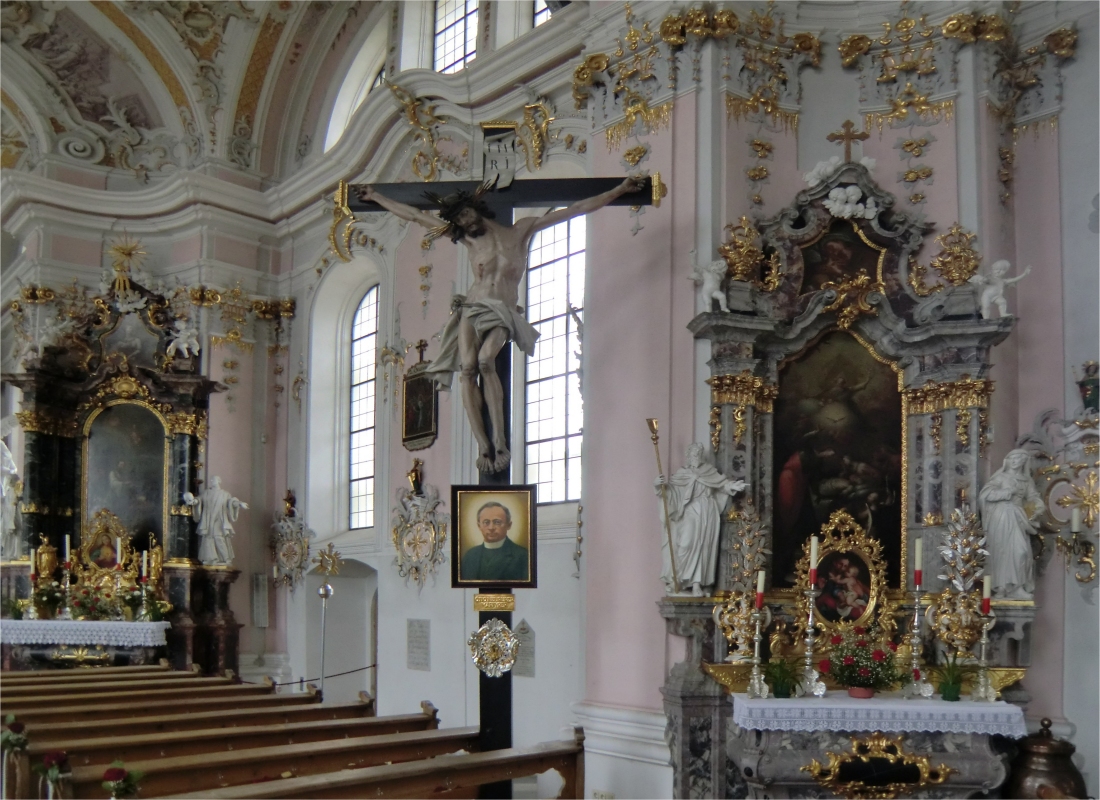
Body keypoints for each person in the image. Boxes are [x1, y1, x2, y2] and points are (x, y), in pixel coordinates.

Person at [360, 177, 641, 473]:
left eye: (465, 214)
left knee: (485, 362)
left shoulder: (521, 231)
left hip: (503, 309)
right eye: (458, 220)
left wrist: (620, 190)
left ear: (476, 209)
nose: (464, 222)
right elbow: (417, 215)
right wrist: (377, 196)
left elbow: (578, 208)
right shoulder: (468, 241)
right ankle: (483, 444)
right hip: (472, 306)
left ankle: (500, 441)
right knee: (467, 369)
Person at [655, 442, 747, 596]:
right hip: (690, 510)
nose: (696, 456)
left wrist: (731, 486)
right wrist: (659, 486)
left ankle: (697, 584)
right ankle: (679, 580)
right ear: (688, 456)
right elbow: (671, 493)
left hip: (708, 512)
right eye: (693, 454)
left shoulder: (708, 471)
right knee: (686, 543)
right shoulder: (682, 474)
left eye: (698, 453)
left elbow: (721, 484)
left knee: (704, 547)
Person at [978, 449, 1042, 599]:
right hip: (1001, 516)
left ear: (1024, 462)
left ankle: (1017, 586)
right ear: (1007, 460)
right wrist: (1006, 492)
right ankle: (1001, 587)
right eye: (1013, 458)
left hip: (1019, 517)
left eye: (1019, 459)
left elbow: (1033, 497)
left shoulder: (1027, 481)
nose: (1015, 461)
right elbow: (985, 495)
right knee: (1001, 551)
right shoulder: (1000, 477)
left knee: (1021, 551)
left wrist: (1038, 506)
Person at [183, 476, 249, 566]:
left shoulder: (225, 494)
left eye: (214, 479)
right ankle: (212, 559)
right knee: (208, 539)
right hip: (208, 520)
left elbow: (231, 502)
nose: (212, 481)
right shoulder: (206, 493)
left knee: (219, 538)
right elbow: (198, 500)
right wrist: (193, 501)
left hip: (219, 520)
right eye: (211, 480)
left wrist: (240, 504)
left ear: (219, 481)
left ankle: (225, 558)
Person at [460, 501, 529, 582]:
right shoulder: (469, 556)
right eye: (486, 522)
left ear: (508, 525)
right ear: (479, 526)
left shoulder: (522, 556)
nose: (491, 527)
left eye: (497, 522)